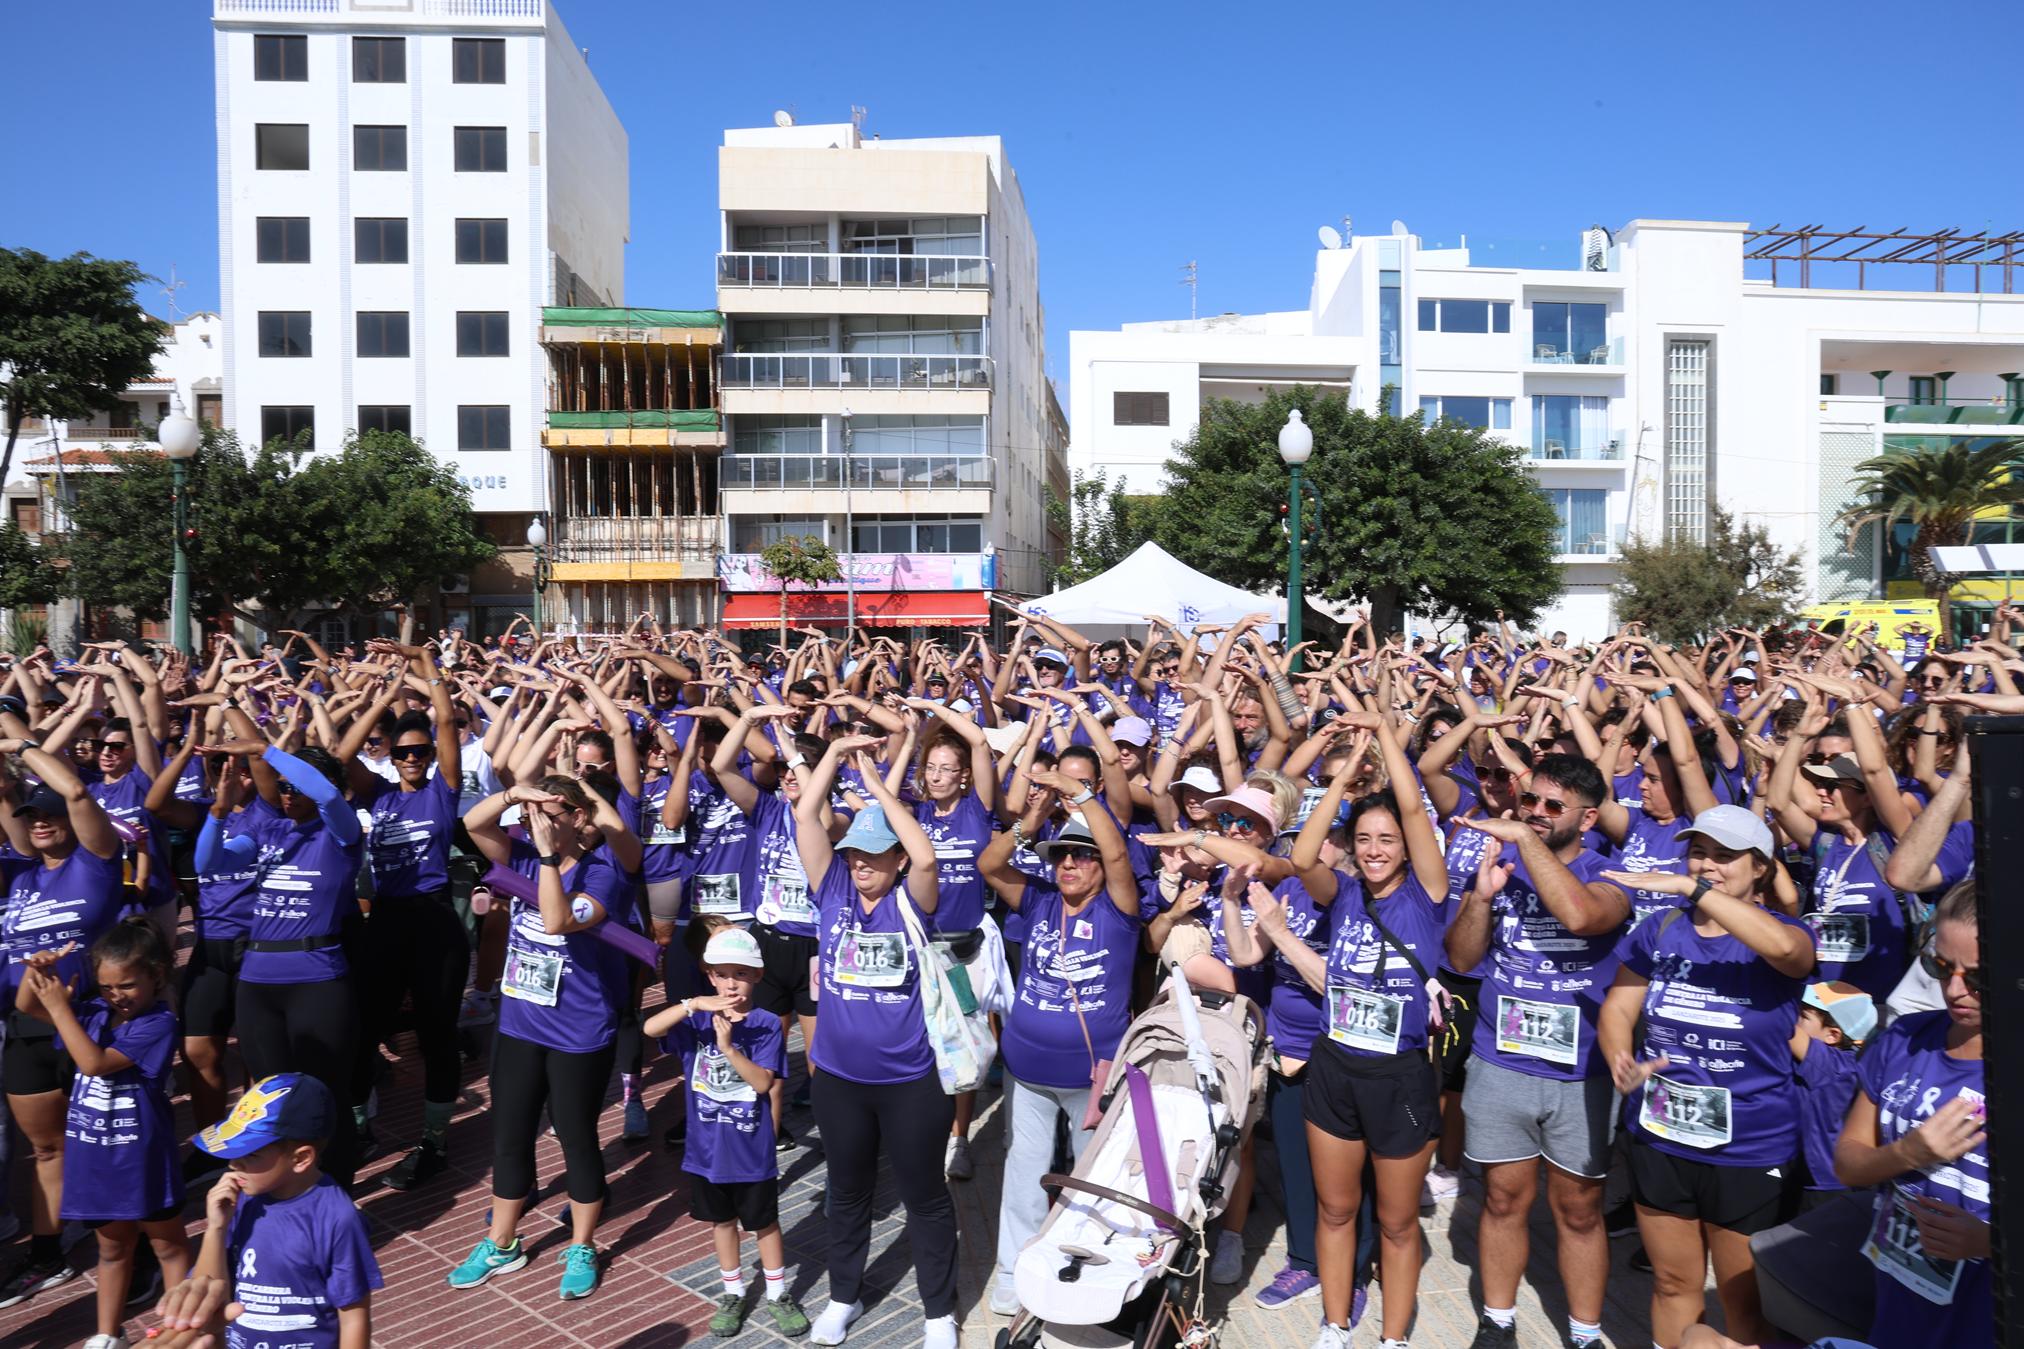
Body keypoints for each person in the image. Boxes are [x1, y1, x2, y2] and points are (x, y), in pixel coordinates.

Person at [1243, 713, 1448, 1349]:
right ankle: (1334, 1327)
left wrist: (1382, 736)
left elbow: (1414, 810)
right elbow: (1303, 855)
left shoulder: (1426, 895)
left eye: (1388, 839)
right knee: (1335, 1211)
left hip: (1400, 1076)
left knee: (1395, 1223)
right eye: (1364, 839)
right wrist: (1346, 772)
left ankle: (1393, 1339)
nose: (1376, 849)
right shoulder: (1345, 895)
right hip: (1336, 1067)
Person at [1597, 805, 1817, 1347]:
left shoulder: (1784, 931)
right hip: (1662, 1133)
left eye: (1725, 856)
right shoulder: (1662, 928)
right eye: (1699, 853)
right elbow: (1619, 1009)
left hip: (1749, 1147)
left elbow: (1790, 953)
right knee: (1673, 1283)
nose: (1708, 865)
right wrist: (1620, 1059)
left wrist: (1691, 887)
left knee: (1746, 1303)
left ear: (1760, 867)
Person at [1443, 754, 1630, 1349]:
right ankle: (1497, 1322)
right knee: (1502, 1199)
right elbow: (1463, 960)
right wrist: (1480, 896)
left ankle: (1583, 1331)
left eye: (1554, 806)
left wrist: (1525, 840)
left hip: (1582, 1072)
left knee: (1578, 1209)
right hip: (1503, 1061)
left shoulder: (1613, 873)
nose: (1538, 814)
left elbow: (1579, 915)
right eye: (1531, 802)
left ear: (1590, 817)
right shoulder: (1501, 867)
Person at [793, 734, 959, 1349]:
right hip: (838, 1079)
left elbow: (927, 856)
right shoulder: (832, 892)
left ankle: (938, 1312)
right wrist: (834, 751)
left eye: (872, 854)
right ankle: (843, 1297)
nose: (859, 863)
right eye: (853, 854)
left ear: (893, 859)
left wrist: (881, 789)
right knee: (847, 1192)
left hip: (912, 1082)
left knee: (925, 1198)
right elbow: (807, 816)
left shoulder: (912, 903)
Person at [451, 777, 633, 1301]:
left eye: (554, 812)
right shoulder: (522, 854)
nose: (542, 822)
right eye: (539, 813)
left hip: (579, 1031)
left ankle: (581, 1244)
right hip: (520, 1025)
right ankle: (501, 1241)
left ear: (579, 819)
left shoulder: (602, 875)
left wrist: (551, 859)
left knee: (576, 1139)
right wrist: (514, 797)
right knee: (509, 1137)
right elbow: (471, 823)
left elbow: (555, 919)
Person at [977, 766, 1142, 1319]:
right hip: (1027, 1070)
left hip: (1092, 1075)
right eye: (1061, 855)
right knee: (1024, 1173)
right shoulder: (1041, 901)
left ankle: (1086, 1276)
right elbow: (989, 865)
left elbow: (1119, 857)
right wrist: (1033, 821)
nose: (1070, 864)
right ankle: (1010, 1269)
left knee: (1091, 1182)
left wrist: (1083, 797)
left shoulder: (1117, 912)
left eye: (1083, 855)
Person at [193, 736, 365, 1189]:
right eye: (283, 787)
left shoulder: (341, 834)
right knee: (269, 1098)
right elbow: (208, 864)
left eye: (296, 786)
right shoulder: (268, 831)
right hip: (257, 982)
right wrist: (218, 810)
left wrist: (263, 749)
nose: (288, 794)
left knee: (325, 1096)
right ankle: (284, 1190)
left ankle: (335, 1197)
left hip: (317, 980)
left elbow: (327, 795)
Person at [13, 919, 190, 1347]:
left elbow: (93, 1063)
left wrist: (60, 1008)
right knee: (112, 1250)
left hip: (143, 1158)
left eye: (127, 985)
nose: (116, 996)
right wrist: (37, 973)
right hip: (96, 1159)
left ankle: (181, 1325)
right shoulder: (92, 1013)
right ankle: (108, 1335)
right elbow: (28, 1007)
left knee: (167, 1246)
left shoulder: (159, 1024)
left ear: (157, 975)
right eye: (107, 986)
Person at [0, 727, 127, 1307]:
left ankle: (131, 1250)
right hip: (26, 1028)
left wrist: (17, 738)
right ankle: (48, 1253)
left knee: (102, 1140)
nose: (42, 820)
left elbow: (75, 792)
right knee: (48, 1149)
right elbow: (7, 803)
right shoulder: (21, 875)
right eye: (32, 816)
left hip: (87, 1022)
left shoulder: (97, 863)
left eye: (48, 813)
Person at [1834, 881, 1990, 1349]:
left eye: (1978, 977)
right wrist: (1910, 1151)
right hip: (1900, 1304)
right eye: (1940, 967)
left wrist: (1990, 1242)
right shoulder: (1905, 1037)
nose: (1955, 990)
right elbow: (1848, 1162)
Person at [643, 927, 809, 1339]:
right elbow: (650, 1029)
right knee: (722, 1223)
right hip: (706, 1151)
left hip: (751, 1149)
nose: (731, 982)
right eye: (721, 973)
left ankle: (777, 1294)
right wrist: (692, 1003)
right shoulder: (695, 1019)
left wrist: (731, 1048)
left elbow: (761, 1084)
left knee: (765, 1224)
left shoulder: (768, 1024)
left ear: (757, 976)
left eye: (741, 972)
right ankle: (732, 1293)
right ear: (709, 975)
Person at [348, 642, 468, 1190]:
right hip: (389, 920)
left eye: (420, 752)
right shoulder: (378, 796)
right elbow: (341, 752)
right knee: (363, 1027)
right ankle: (355, 1131)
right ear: (390, 758)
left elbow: (445, 718)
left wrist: (422, 661)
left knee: (436, 1031)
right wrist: (381, 697)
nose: (413, 759)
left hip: (435, 918)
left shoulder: (442, 793)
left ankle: (437, 1141)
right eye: (402, 753)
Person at [152, 1073, 383, 1349]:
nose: (233, 1164)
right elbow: (208, 1292)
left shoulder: (337, 1218)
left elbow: (354, 1317)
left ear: (300, 1158)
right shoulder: (245, 1199)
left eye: (250, 1155)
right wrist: (216, 1228)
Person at [904, 697, 1001, 1183]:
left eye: (948, 769)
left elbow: (980, 740)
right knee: (923, 1042)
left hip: (965, 951)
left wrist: (929, 706)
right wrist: (919, 732)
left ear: (964, 776)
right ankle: (924, 1129)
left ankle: (960, 1138)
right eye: (932, 767)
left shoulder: (978, 811)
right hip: (921, 948)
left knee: (962, 1045)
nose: (938, 776)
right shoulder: (917, 813)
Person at [1791, 982, 1874, 1204]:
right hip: (1824, 1179)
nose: (1793, 1019)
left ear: (1832, 1035)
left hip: (1825, 1184)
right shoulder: (1854, 1061)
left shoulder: (1835, 1065)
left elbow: (1783, 1027)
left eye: (1802, 1016)